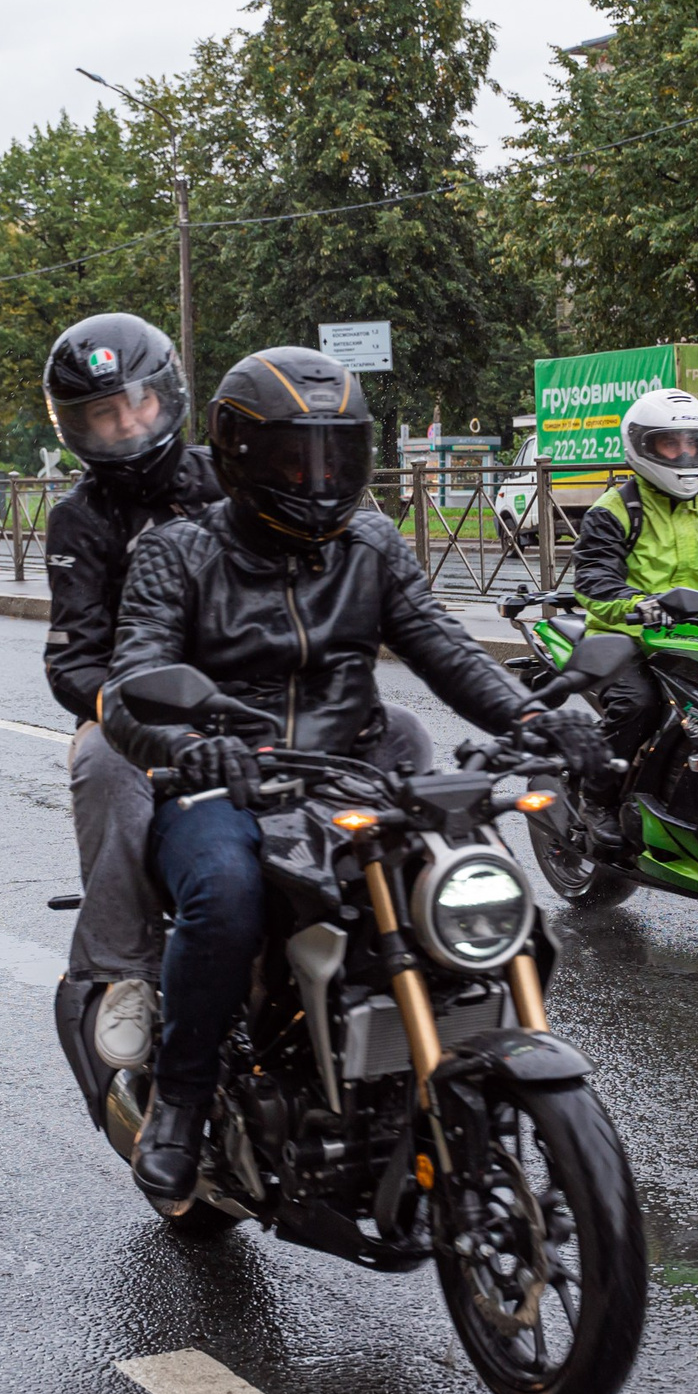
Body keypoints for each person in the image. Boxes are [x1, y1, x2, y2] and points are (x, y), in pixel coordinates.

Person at [102, 346, 603, 1203]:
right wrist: (188, 743)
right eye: (297, 458)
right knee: (224, 894)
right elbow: (130, 684)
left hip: (352, 771)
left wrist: (530, 718)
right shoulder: (177, 552)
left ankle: (454, 1071)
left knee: (474, 879)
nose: (321, 478)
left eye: (339, 456)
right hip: (225, 779)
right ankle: (180, 1102)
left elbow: (444, 646)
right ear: (240, 455)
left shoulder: (370, 542)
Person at [39, 315, 224, 1080]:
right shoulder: (78, 519)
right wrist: (130, 712)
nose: (128, 423)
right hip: (139, 712)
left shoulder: (227, 477)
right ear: (77, 426)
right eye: (104, 413)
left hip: (251, 693)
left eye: (138, 402)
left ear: (166, 394)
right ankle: (124, 972)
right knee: (101, 765)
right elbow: (72, 659)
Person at [569, 388, 698, 819]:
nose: (685, 453)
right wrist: (640, 604)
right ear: (642, 447)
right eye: (670, 443)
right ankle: (596, 801)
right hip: (627, 637)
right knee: (638, 705)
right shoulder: (614, 510)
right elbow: (594, 580)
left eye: (693, 442)